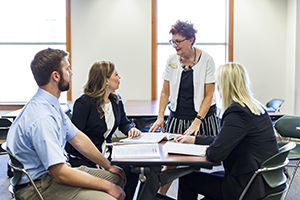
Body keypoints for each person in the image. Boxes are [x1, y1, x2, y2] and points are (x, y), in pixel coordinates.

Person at [6, 48, 126, 200]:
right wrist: (107, 187)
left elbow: (77, 138)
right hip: (39, 186)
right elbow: (60, 173)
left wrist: (108, 165)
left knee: (116, 178)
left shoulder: (50, 105)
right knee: (109, 196)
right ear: (55, 76)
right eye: (67, 69)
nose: (71, 73)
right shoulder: (42, 118)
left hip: (52, 176)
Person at [176, 62, 285, 200]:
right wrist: (195, 140)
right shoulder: (255, 108)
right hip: (265, 182)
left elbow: (215, 154)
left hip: (247, 187)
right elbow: (225, 139)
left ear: (224, 86)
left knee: (187, 179)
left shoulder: (237, 112)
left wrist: (209, 148)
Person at [149, 20, 220, 194]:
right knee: (170, 163)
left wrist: (197, 122)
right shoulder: (172, 60)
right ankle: (159, 197)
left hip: (202, 118)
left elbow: (208, 95)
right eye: (172, 41)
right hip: (177, 117)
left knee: (195, 163)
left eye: (178, 41)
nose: (174, 45)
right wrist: (160, 116)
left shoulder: (207, 60)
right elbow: (165, 92)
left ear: (190, 40)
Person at [65, 60, 141, 200]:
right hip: (85, 159)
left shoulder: (115, 101)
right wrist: (96, 160)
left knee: (133, 169)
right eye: (116, 75)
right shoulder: (84, 103)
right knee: (118, 176)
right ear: (106, 80)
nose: (119, 78)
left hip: (107, 154)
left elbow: (124, 123)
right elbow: (74, 141)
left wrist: (131, 129)